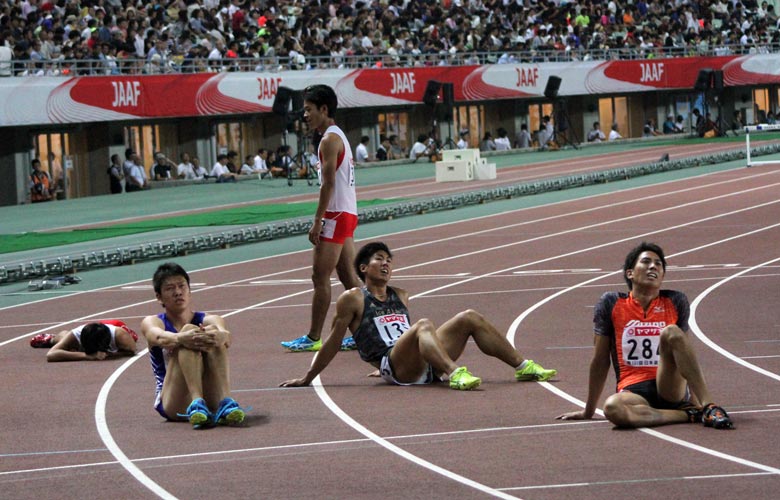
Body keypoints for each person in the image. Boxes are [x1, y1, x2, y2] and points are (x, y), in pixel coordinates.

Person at [281, 242, 557, 390]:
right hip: (396, 368)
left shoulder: (400, 294)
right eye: (379, 258)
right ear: (364, 267)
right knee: (423, 324)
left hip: (417, 360)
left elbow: (400, 334)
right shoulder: (352, 298)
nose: (386, 263)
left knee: (468, 316)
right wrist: (309, 377)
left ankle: (524, 368)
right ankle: (455, 374)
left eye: (389, 259)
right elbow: (333, 341)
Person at [556, 242, 733, 429]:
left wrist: (697, 399)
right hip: (633, 390)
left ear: (663, 275)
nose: (653, 267)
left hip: (669, 386)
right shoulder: (611, 303)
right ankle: (686, 415)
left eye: (658, 264)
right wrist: (589, 411)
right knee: (612, 407)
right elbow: (600, 360)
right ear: (630, 273)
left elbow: (684, 354)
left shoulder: (675, 301)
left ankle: (708, 407)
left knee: (672, 332)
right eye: (646, 262)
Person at [280, 84, 360, 353]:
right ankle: (368, 330)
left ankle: (314, 336)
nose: (305, 115)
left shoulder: (329, 140)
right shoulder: (339, 136)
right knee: (349, 276)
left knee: (320, 275)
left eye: (308, 109)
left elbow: (328, 185)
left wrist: (318, 220)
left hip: (336, 213)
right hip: (348, 211)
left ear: (324, 109)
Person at [141, 262, 248, 428]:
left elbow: (225, 335)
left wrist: (220, 336)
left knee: (211, 331)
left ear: (189, 290)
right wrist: (181, 338)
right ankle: (196, 401)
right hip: (173, 400)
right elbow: (158, 336)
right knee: (188, 332)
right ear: (159, 297)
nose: (177, 292)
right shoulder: (153, 322)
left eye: (181, 286)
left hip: (211, 395)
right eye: (170, 288)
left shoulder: (211, 319)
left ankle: (226, 402)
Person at [30, 320, 138, 362]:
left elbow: (132, 351)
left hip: (115, 323)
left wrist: (109, 355)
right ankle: (52, 339)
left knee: (134, 338)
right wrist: (87, 356)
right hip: (89, 330)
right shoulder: (77, 333)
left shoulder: (120, 334)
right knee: (66, 340)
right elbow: (51, 355)